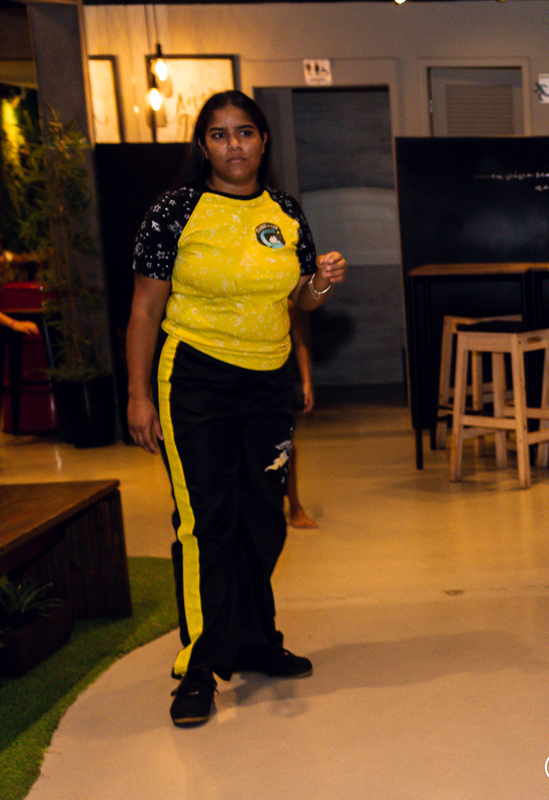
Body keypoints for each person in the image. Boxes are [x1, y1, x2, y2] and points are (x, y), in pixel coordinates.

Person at [126, 90, 347, 727]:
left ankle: (254, 640)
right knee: (206, 524)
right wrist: (138, 395)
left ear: (263, 140)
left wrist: (321, 281)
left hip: (267, 384)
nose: (234, 145)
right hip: (195, 382)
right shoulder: (174, 211)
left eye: (244, 132)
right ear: (204, 146)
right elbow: (144, 309)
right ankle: (200, 665)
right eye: (220, 135)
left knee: (263, 519)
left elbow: (301, 299)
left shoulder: (285, 211)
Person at [286, 300, 318, 529]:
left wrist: (306, 382)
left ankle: (295, 506)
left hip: (277, 378)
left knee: (286, 446)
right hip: (240, 378)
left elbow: (299, 342)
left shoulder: (285, 303)